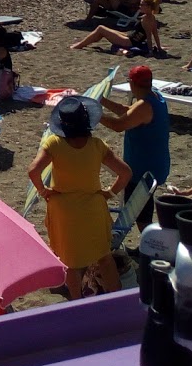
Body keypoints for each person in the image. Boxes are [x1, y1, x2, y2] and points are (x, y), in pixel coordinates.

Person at [27, 96, 131, 299]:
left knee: (71, 264)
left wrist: (43, 190)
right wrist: (109, 193)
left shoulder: (54, 144)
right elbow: (125, 172)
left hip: (64, 210)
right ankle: (115, 298)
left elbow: (33, 171)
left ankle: (76, 301)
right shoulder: (97, 145)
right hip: (93, 207)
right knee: (104, 258)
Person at [99, 66, 170, 227]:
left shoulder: (144, 105)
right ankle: (147, 245)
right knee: (143, 205)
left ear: (132, 83)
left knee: (139, 213)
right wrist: (102, 101)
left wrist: (94, 114)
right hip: (155, 163)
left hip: (143, 169)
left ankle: (147, 248)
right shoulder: (156, 97)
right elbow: (128, 112)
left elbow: (118, 125)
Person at [69, 0, 167, 58]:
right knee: (105, 30)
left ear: (149, 7)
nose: (139, 6)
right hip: (130, 37)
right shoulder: (152, 18)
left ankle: (80, 45)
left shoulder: (147, 20)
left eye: (142, 5)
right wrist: (159, 48)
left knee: (101, 28)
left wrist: (150, 52)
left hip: (129, 42)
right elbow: (155, 34)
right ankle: (83, 43)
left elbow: (150, 37)